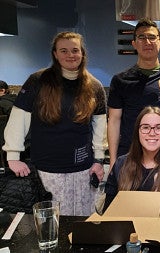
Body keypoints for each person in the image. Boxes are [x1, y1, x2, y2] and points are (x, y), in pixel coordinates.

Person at [2, 31, 107, 216]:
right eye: (64, 50)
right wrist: (13, 156)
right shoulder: (37, 81)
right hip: (47, 172)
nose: (70, 55)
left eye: (75, 50)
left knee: (84, 224)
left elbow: (100, 128)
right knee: (52, 227)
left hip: (83, 171)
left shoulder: (95, 86)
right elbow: (18, 119)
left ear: (82, 53)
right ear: (55, 54)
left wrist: (99, 160)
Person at [108, 18, 160, 167]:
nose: (147, 42)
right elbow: (114, 121)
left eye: (152, 37)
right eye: (141, 37)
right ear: (134, 44)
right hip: (130, 158)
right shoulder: (120, 80)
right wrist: (113, 161)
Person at [103, 106, 160, 211]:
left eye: (158, 128)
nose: (152, 133)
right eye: (145, 127)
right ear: (137, 132)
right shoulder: (121, 164)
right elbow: (108, 211)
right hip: (127, 226)